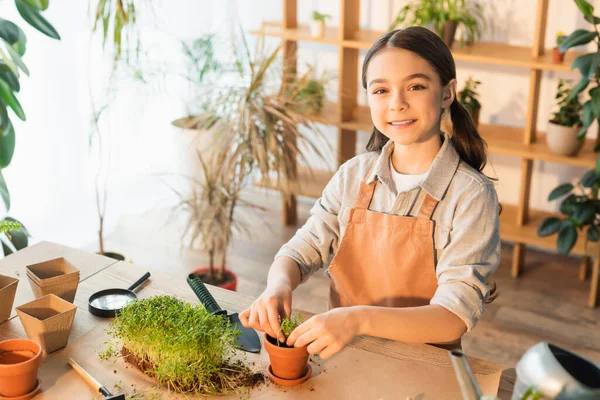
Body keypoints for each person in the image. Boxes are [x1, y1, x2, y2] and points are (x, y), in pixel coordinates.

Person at [239, 26, 500, 360]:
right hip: (345, 355)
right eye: (381, 91)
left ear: (447, 92)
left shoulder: (472, 196)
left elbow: (453, 317)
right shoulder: (354, 174)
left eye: (416, 86)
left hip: (423, 367)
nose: (397, 104)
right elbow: (301, 249)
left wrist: (355, 319)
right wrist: (277, 286)